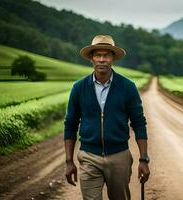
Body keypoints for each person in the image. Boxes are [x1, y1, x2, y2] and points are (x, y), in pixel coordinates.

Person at [63, 35, 150, 200]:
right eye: (97, 55)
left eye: (106, 55)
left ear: (112, 58)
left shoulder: (128, 87)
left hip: (119, 157)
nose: (102, 59)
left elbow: (139, 124)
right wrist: (69, 161)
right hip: (89, 156)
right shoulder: (79, 88)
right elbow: (70, 125)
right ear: (91, 58)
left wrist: (144, 159)